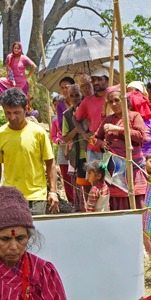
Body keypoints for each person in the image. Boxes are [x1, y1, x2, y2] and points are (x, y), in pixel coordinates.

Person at [0, 88, 59, 215]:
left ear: (26, 108)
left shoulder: (39, 133)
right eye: (8, 113)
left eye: (17, 112)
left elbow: (50, 163)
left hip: (36, 196)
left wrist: (53, 192)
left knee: (36, 233)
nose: (12, 117)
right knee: (14, 233)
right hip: (10, 195)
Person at [93, 88, 148, 210]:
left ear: (125, 101)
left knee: (137, 201)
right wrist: (102, 144)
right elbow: (96, 137)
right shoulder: (108, 119)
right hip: (115, 169)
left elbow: (140, 136)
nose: (114, 104)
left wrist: (119, 129)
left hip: (133, 167)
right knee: (117, 202)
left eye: (117, 100)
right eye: (111, 101)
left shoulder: (134, 116)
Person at [73, 67, 109, 163]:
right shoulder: (87, 101)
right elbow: (75, 118)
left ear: (107, 81)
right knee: (93, 177)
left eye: (99, 79)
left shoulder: (113, 97)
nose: (96, 82)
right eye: (93, 80)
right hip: (93, 148)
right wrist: (84, 134)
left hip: (110, 147)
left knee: (110, 177)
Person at [61, 83, 88, 211]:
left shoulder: (88, 109)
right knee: (85, 184)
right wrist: (78, 129)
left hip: (93, 153)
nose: (75, 98)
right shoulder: (67, 115)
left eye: (77, 95)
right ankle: (88, 210)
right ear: (69, 99)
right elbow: (65, 138)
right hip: (78, 156)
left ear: (82, 96)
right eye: (72, 96)